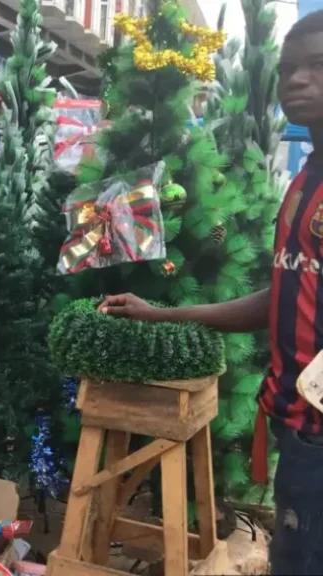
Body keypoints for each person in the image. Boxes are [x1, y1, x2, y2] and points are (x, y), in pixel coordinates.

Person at [98, 11, 323, 574]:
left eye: (317, 68)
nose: (297, 81)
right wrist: (161, 315)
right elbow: (279, 297)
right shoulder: (303, 186)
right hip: (297, 433)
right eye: (290, 70)